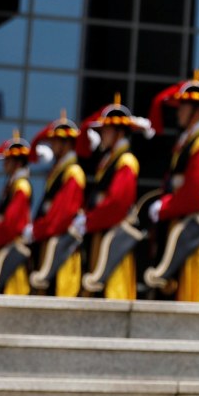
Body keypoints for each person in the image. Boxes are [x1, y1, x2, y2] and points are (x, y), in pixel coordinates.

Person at [146, 78, 199, 302]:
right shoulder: (186, 142)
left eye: (184, 107)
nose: (179, 112)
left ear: (196, 110)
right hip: (176, 224)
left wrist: (165, 207)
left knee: (187, 292)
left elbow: (194, 195)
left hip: (191, 231)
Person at [79, 99, 151, 301]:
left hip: (115, 240)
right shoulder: (112, 159)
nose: (102, 134)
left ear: (119, 131)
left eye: (106, 130)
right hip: (102, 234)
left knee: (114, 291)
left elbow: (117, 204)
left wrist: (89, 220)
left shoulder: (126, 160)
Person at [28, 115, 87, 298]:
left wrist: (37, 230)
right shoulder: (60, 171)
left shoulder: (72, 171)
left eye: (55, 141)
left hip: (61, 248)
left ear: (67, 143)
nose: (52, 146)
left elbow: (62, 215)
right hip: (49, 241)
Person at [0, 134, 36, 296]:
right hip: (3, 247)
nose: (4, 164)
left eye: (8, 160)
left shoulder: (21, 186)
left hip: (12, 251)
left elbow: (12, 224)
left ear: (18, 163)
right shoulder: (13, 185)